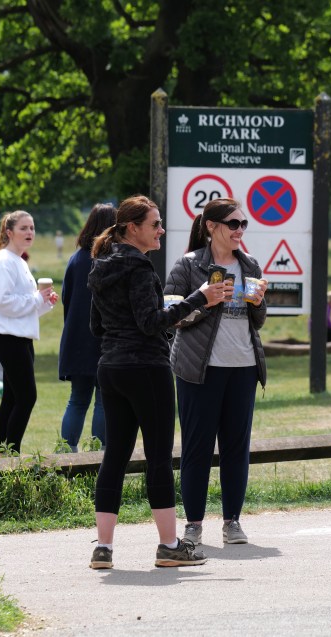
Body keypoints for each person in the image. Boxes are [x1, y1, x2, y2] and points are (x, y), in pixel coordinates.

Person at [87, 194, 226, 570]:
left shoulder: (101, 265)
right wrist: (200, 298)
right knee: (159, 457)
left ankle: (103, 548)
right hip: (146, 369)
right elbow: (151, 322)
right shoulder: (139, 267)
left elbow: (96, 326)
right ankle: (169, 545)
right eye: (155, 224)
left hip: (111, 368)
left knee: (114, 455)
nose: (162, 230)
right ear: (133, 228)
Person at [165, 197, 268, 547]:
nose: (240, 231)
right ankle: (193, 524)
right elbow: (170, 316)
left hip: (243, 367)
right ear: (211, 227)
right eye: (233, 224)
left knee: (237, 448)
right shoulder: (188, 265)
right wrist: (204, 300)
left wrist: (258, 303)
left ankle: (232, 521)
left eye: (243, 225)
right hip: (199, 369)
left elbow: (258, 321)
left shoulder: (249, 263)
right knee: (197, 448)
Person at [0, 211, 57, 453]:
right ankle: (10, 456)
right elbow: (1, 302)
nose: (30, 233)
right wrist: (36, 299)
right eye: (24, 228)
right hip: (8, 339)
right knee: (27, 398)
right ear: (9, 232)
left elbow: (22, 306)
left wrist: (44, 302)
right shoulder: (3, 262)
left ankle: (3, 456)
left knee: (13, 398)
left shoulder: (19, 261)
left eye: (32, 228)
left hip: (21, 338)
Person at [58, 204, 116, 452]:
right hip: (106, 338)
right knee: (103, 400)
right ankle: (98, 452)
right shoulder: (113, 259)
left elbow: (66, 298)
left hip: (77, 337)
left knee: (77, 399)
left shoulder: (77, 259)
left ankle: (66, 451)